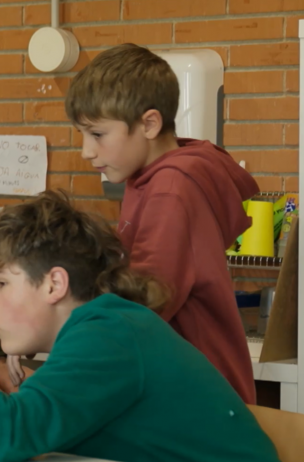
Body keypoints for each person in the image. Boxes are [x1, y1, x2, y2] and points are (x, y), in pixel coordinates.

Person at [0, 191, 279, 462]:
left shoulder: (109, 336)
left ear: (54, 284)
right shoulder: (109, 325)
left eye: (1, 283)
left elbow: (5, 436)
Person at [62, 43, 258, 403]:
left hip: (198, 394)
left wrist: (55, 326)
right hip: (185, 383)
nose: (86, 151)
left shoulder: (171, 188)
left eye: (97, 134)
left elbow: (145, 302)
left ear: (149, 124)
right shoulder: (149, 177)